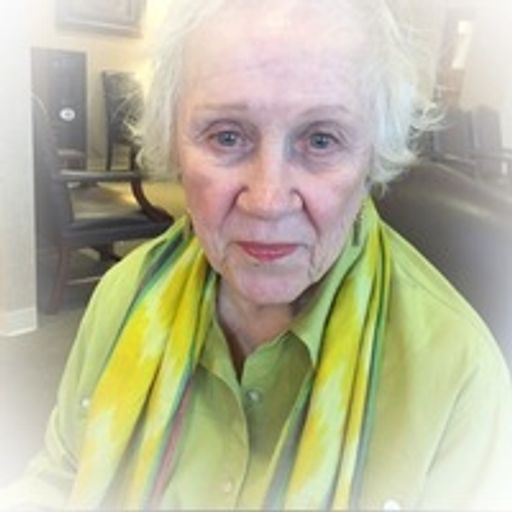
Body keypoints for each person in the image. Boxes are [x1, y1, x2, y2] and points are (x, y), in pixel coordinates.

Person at [2, 0, 512, 509]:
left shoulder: (460, 380)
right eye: (227, 136)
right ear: (173, 144)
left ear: (372, 156)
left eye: (321, 140)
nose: (268, 200)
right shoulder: (125, 295)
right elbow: (62, 477)